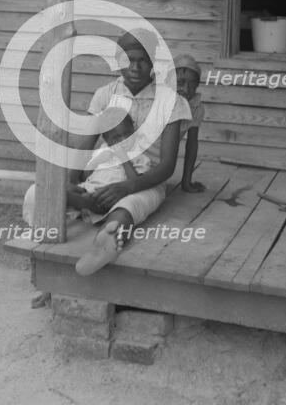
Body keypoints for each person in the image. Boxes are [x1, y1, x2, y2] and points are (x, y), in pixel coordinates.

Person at [71, 28, 191, 276]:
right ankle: (88, 204)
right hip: (103, 175)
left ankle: (107, 241)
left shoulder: (171, 102)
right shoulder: (106, 95)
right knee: (39, 192)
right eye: (128, 60)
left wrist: (126, 188)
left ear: (153, 64)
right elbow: (86, 145)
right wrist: (72, 180)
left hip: (145, 181)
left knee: (130, 207)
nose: (135, 68)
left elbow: (167, 166)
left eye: (142, 60)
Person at [170, 53, 205, 193]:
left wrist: (186, 182)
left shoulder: (196, 108)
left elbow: (191, 145)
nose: (186, 89)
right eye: (180, 82)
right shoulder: (159, 102)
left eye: (192, 85)